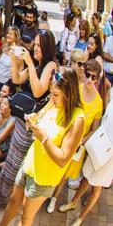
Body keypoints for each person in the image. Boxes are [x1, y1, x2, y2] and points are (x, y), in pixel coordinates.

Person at [0, 66, 84, 226]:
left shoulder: (77, 119)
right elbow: (41, 115)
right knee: (13, 201)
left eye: (56, 95)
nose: (53, 99)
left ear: (69, 93)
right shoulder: (53, 101)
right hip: (30, 163)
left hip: (44, 177)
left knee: (26, 217)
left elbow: (63, 159)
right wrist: (34, 118)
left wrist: (43, 137)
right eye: (51, 94)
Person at [0, 29, 57, 209]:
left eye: (39, 46)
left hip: (31, 125)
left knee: (15, 163)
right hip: (21, 119)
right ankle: (0, 195)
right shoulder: (36, 64)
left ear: (47, 47)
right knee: (12, 160)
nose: (35, 48)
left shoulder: (50, 66)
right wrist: (14, 59)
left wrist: (29, 61)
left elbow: (37, 91)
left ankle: (6, 199)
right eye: (34, 44)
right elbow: (17, 79)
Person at [47, 59, 103, 213]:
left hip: (78, 144)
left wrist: (81, 141)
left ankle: (54, 198)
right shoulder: (76, 89)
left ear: (97, 79)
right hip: (64, 133)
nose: (90, 79)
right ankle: (47, 192)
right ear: (83, 73)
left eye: (93, 77)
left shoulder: (98, 102)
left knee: (65, 174)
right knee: (54, 164)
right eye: (87, 74)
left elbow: (95, 129)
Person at [57, 86, 113, 226]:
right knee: (86, 177)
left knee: (97, 187)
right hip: (100, 142)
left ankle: (81, 218)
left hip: (110, 155)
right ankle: (73, 202)